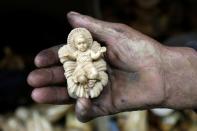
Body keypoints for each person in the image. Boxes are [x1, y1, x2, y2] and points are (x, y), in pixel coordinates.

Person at [27, 11, 197, 122]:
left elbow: (95, 57)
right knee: (79, 77)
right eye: (77, 43)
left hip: (91, 68)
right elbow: (68, 56)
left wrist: (98, 53)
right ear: (74, 44)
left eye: (83, 42)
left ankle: (91, 82)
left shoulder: (90, 50)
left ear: (87, 42)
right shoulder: (74, 53)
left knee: (94, 73)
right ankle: (83, 83)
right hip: (79, 70)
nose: (81, 45)